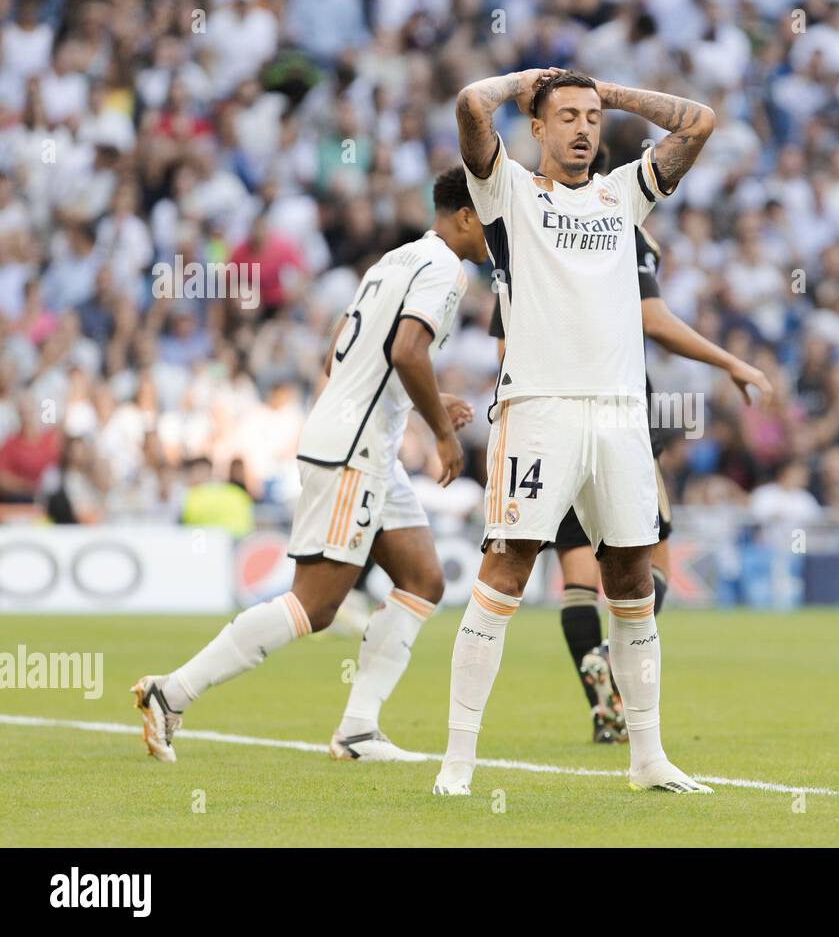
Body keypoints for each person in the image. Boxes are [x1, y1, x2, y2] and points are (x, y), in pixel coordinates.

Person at [131, 168, 485, 763]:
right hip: (356, 447)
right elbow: (405, 349)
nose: (498, 231)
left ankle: (358, 730)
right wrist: (442, 432)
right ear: (467, 216)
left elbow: (339, 354)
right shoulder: (446, 268)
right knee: (315, 605)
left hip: (363, 438)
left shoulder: (392, 261)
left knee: (424, 579)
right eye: (492, 217)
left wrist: (411, 398)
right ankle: (172, 692)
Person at [434, 68, 715, 795]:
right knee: (506, 571)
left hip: (621, 416)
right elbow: (470, 105)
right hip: (540, 409)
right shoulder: (509, 193)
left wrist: (613, 95)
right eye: (567, 116)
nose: (584, 128)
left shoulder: (624, 193)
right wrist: (527, 81)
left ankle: (647, 755)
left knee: (630, 579)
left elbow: (699, 122)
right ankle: (458, 760)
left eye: (593, 118)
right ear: (537, 126)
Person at [487, 146, 774, 742]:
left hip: (540, 412)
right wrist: (732, 362)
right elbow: (654, 319)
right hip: (612, 412)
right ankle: (615, 680)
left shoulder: (524, 228)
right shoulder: (618, 224)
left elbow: (503, 340)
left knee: (572, 575)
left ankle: (602, 706)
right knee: (649, 557)